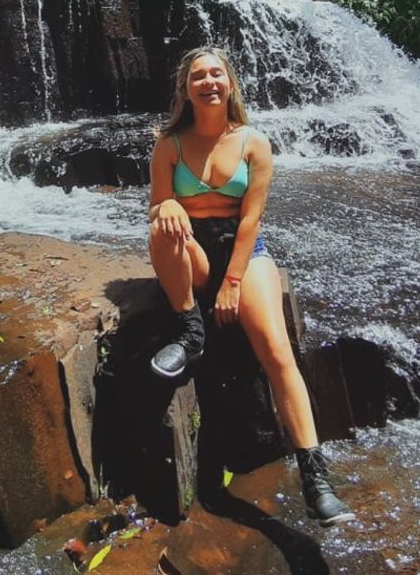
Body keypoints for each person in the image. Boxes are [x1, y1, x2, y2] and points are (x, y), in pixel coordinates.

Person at [147, 46, 355, 527]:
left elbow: (252, 219)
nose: (208, 81)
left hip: (246, 251)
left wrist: (233, 283)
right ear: (187, 90)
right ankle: (190, 331)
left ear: (231, 84)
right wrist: (168, 207)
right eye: (198, 76)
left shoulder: (253, 143)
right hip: (192, 252)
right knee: (163, 226)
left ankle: (316, 479)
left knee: (277, 352)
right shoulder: (169, 144)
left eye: (216, 73)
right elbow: (157, 205)